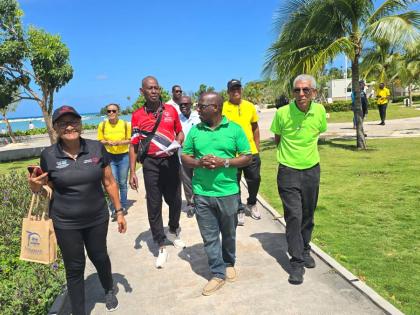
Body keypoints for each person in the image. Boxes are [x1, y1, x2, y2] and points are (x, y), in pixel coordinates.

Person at [28, 105, 127, 314]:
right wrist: (35, 185)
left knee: (99, 256)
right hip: (65, 221)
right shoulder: (48, 155)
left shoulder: (96, 148)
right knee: (74, 268)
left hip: (97, 217)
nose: (69, 126)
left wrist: (119, 212)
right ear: (55, 128)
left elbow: (109, 182)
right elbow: (47, 189)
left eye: (73, 121)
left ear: (81, 125)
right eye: (63, 123)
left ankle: (108, 288)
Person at [182, 92, 251, 296]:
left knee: (229, 232)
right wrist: (198, 163)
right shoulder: (195, 131)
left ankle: (229, 262)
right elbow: (185, 156)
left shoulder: (234, 129)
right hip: (202, 193)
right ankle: (217, 273)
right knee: (209, 236)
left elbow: (247, 157)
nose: (198, 109)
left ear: (216, 107)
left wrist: (224, 162)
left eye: (202, 106)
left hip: (228, 192)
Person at [270, 74, 327, 285]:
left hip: (312, 170)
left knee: (308, 214)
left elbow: (318, 132)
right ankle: (296, 262)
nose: (301, 94)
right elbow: (277, 138)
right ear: (292, 92)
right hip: (288, 171)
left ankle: (305, 248)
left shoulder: (319, 111)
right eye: (297, 90)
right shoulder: (282, 113)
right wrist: (289, 157)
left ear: (314, 92)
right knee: (294, 215)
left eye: (306, 90)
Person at [129, 76, 185, 269]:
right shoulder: (136, 116)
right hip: (150, 164)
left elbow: (180, 132)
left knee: (175, 200)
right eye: (150, 88)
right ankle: (161, 245)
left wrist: (177, 142)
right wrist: (132, 172)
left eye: (156, 88)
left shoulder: (170, 110)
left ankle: (172, 229)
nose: (154, 91)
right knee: (154, 204)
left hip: (170, 160)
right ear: (142, 91)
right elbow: (134, 145)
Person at [222, 79, 261, 225]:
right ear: (228, 92)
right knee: (234, 183)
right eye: (232, 89)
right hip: (232, 155)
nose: (235, 91)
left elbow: (255, 127)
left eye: (238, 88)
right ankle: (239, 209)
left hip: (250, 152)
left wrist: (257, 147)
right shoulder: (223, 107)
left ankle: (252, 202)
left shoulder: (250, 106)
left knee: (255, 179)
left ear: (241, 89)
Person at [97, 103, 131, 220]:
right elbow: (100, 140)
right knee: (112, 182)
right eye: (109, 111)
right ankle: (114, 207)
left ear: (118, 112)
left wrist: (120, 142)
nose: (111, 113)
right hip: (109, 156)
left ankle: (124, 206)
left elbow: (131, 140)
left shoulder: (125, 125)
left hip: (123, 156)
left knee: (122, 182)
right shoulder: (102, 125)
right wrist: (107, 142)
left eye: (114, 111)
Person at [178, 95, 201, 217]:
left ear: (190, 104)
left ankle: (201, 202)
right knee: (186, 180)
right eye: (181, 104)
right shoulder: (177, 119)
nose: (183, 106)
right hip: (183, 154)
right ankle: (191, 204)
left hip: (198, 154)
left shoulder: (198, 118)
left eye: (186, 104)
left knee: (200, 177)